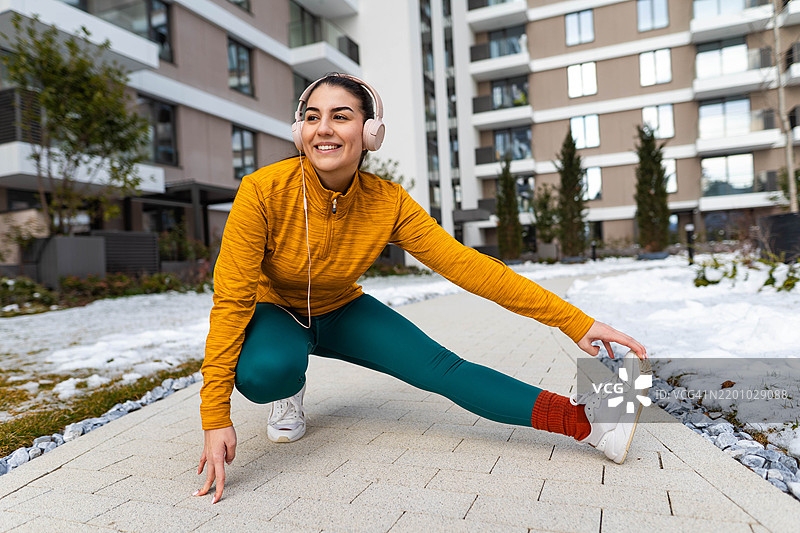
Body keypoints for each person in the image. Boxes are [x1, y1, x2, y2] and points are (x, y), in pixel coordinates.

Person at [194, 74, 647, 504]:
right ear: (299, 130)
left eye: (340, 116)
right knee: (265, 373)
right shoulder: (262, 191)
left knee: (442, 369)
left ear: (370, 133)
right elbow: (231, 299)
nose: (323, 129)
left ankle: (589, 423)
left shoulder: (388, 202)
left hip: (340, 309)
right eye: (312, 117)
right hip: (275, 312)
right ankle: (287, 391)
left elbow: (470, 267)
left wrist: (575, 322)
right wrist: (215, 417)